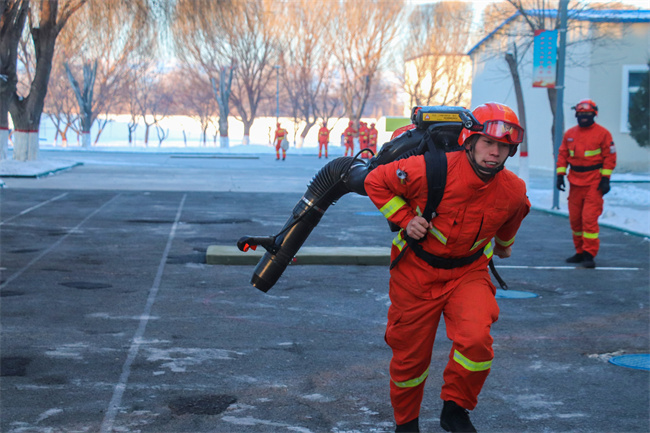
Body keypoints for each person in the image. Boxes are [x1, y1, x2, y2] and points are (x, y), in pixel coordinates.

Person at [364, 102, 531, 433]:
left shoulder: (513, 189)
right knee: (410, 357)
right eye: (488, 143)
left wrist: (503, 246)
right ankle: (406, 424)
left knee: (476, 341)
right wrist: (405, 219)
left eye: (503, 147)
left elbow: (511, 223)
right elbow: (375, 181)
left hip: (468, 273)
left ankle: (455, 409)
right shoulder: (429, 169)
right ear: (469, 140)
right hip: (416, 272)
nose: (495, 153)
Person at [556, 99, 616, 269]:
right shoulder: (570, 134)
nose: (584, 117)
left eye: (587, 114)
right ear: (576, 115)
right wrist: (560, 175)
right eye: (581, 114)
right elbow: (563, 155)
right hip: (575, 182)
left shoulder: (603, 134)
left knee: (589, 219)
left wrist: (605, 179)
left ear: (594, 115)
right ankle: (580, 252)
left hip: (594, 183)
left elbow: (610, 157)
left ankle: (589, 254)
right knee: (575, 220)